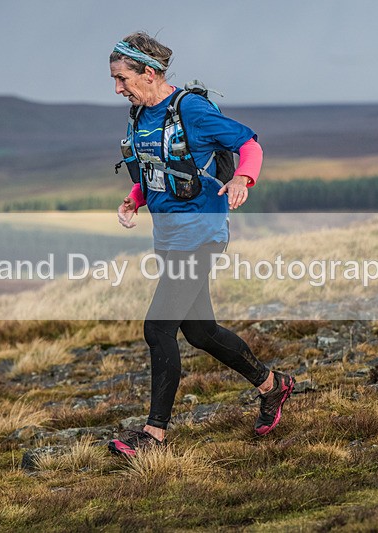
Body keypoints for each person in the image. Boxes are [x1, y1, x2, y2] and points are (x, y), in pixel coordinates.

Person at [107, 32, 295, 457]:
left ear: (150, 73)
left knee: (158, 327)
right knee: (200, 331)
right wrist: (135, 199)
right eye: (114, 80)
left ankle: (154, 436)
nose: (118, 88)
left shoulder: (191, 109)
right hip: (169, 235)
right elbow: (155, 169)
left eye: (122, 78)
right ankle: (273, 386)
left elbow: (249, 145)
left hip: (202, 233)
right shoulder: (140, 115)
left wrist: (242, 179)